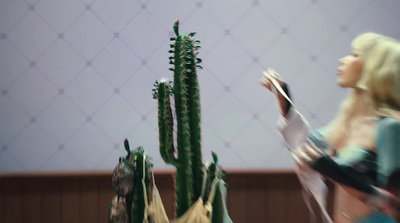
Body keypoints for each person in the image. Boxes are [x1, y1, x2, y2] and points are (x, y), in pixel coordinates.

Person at [260, 33, 400, 222]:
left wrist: (331, 169)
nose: (343, 60)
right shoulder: (344, 126)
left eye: (354, 54)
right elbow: (303, 146)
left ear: (375, 67)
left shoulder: (389, 127)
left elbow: (393, 205)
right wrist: (283, 96)